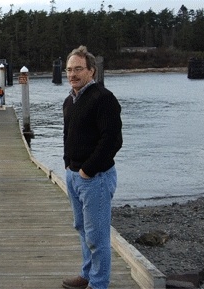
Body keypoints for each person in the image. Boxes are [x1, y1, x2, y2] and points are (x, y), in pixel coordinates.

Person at [61, 46, 122, 289]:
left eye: (78, 69)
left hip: (95, 178)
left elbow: (112, 141)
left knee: (97, 237)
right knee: (82, 229)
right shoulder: (70, 100)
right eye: (69, 69)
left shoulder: (103, 99)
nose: (72, 74)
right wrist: (68, 165)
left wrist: (87, 170)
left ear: (91, 71)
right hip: (73, 176)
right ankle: (86, 275)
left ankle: (99, 284)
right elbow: (68, 135)